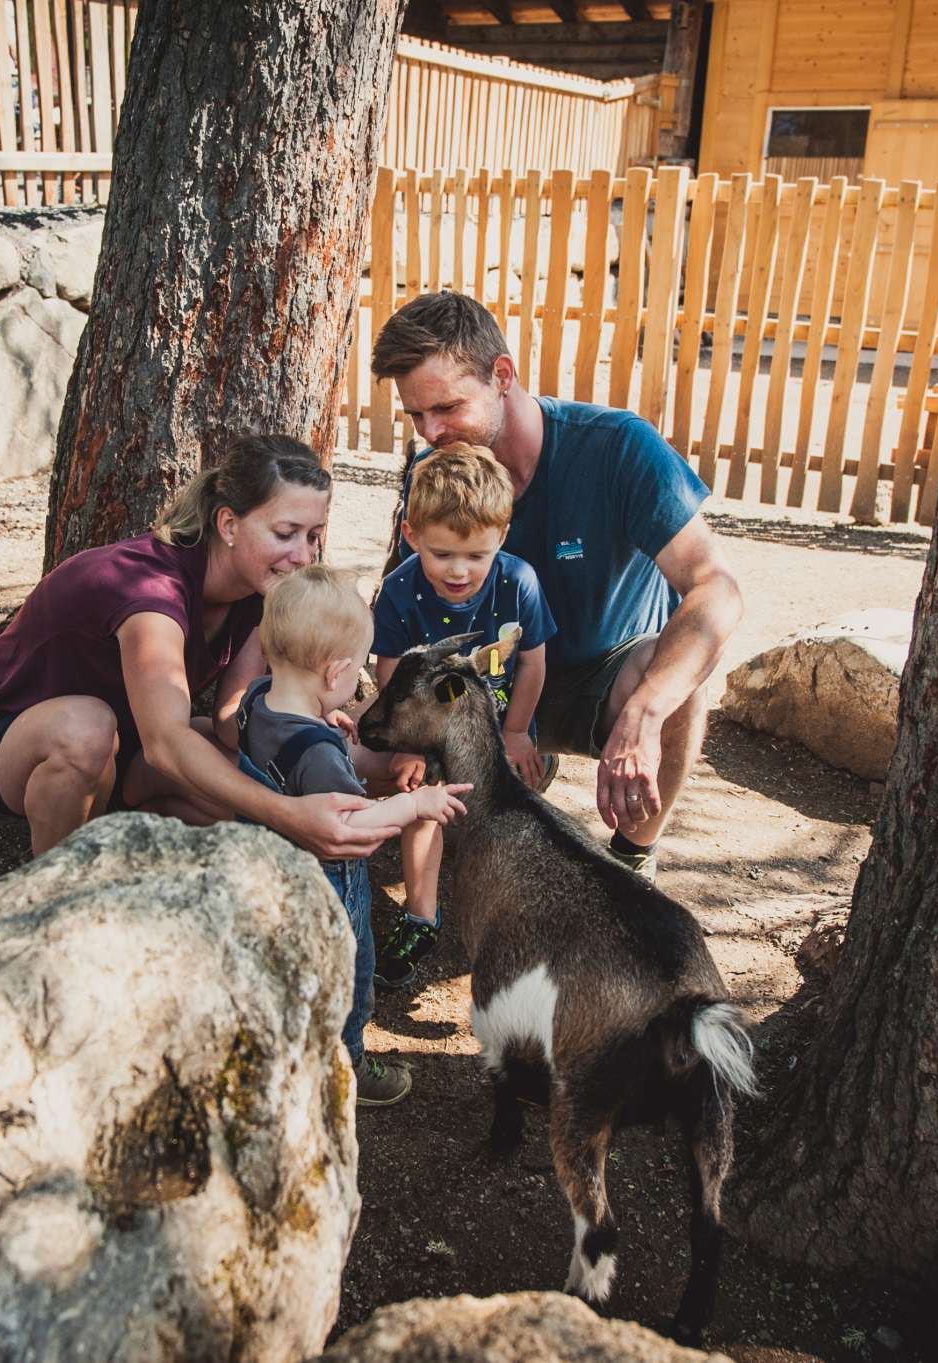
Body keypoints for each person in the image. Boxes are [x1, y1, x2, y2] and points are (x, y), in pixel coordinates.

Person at [370, 291, 745, 881]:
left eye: (446, 407)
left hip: (606, 672)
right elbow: (404, 608)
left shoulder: (618, 446)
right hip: (495, 677)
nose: (431, 431)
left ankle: (633, 857)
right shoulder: (434, 473)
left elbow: (716, 587)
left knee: (677, 685)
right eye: (416, 415)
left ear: (502, 375)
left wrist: (646, 712)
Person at [0, 433, 393, 864]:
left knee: (262, 782)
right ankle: (64, 888)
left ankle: (129, 839)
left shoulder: (263, 591)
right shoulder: (151, 591)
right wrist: (288, 813)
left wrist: (302, 717)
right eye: (285, 533)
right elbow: (166, 744)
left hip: (129, 750)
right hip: (14, 742)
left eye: (312, 536)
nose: (303, 556)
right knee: (87, 729)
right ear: (228, 525)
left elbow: (229, 720)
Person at [239, 565, 470, 1106]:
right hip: (329, 889)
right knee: (348, 977)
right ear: (336, 672)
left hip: (269, 871)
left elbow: (283, 743)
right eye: (357, 670)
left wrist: (322, 718)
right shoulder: (319, 757)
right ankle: (345, 1066)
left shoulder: (257, 698)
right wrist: (414, 804)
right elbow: (347, 829)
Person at [368, 443, 556, 987]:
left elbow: (533, 663)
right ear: (411, 535)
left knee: (507, 817)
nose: (458, 570)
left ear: (502, 536)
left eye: (476, 555)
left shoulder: (518, 581)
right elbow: (392, 674)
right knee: (422, 801)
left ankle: (511, 922)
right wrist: (409, 746)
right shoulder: (401, 590)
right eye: (442, 553)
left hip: (494, 730)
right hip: (429, 733)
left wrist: (516, 732)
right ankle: (420, 916)